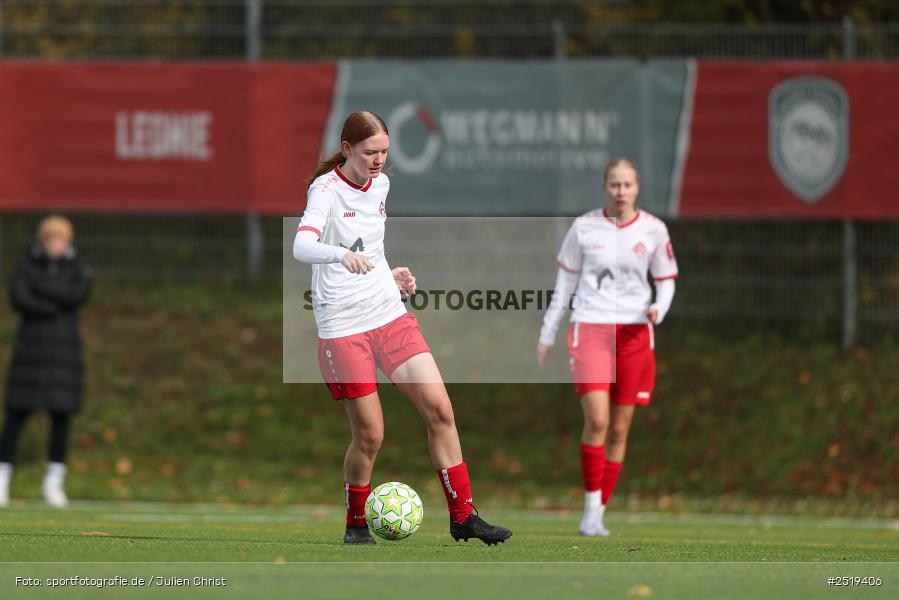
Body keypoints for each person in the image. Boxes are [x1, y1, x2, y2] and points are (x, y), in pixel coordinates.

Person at [293, 111, 512, 546]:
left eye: (385, 152)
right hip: (342, 325)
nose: (379, 160)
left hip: (387, 313)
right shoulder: (326, 190)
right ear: (348, 147)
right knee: (371, 434)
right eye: (371, 152)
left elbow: (370, 246)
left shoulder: (383, 186)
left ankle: (463, 517)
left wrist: (389, 276)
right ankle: (356, 524)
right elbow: (302, 245)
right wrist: (339, 255)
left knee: (441, 410)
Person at [537, 158, 678, 536]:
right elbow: (565, 284)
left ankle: (598, 513)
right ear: (605, 188)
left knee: (619, 429)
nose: (620, 191)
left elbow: (665, 280)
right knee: (597, 420)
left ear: (637, 188)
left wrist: (658, 309)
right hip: (591, 328)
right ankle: (588, 509)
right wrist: (548, 330)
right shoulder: (584, 227)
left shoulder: (653, 229)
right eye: (614, 184)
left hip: (634, 334)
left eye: (627, 184)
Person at [0, 215, 93, 508]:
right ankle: (2, 479)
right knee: (16, 415)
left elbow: (77, 294)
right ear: (42, 240)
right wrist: (57, 299)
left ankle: (54, 483)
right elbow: (20, 298)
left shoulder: (77, 269)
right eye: (51, 239)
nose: (56, 244)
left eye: (61, 239)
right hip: (30, 354)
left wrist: (41, 289)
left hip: (64, 356)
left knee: (61, 417)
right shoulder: (26, 266)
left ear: (68, 241)